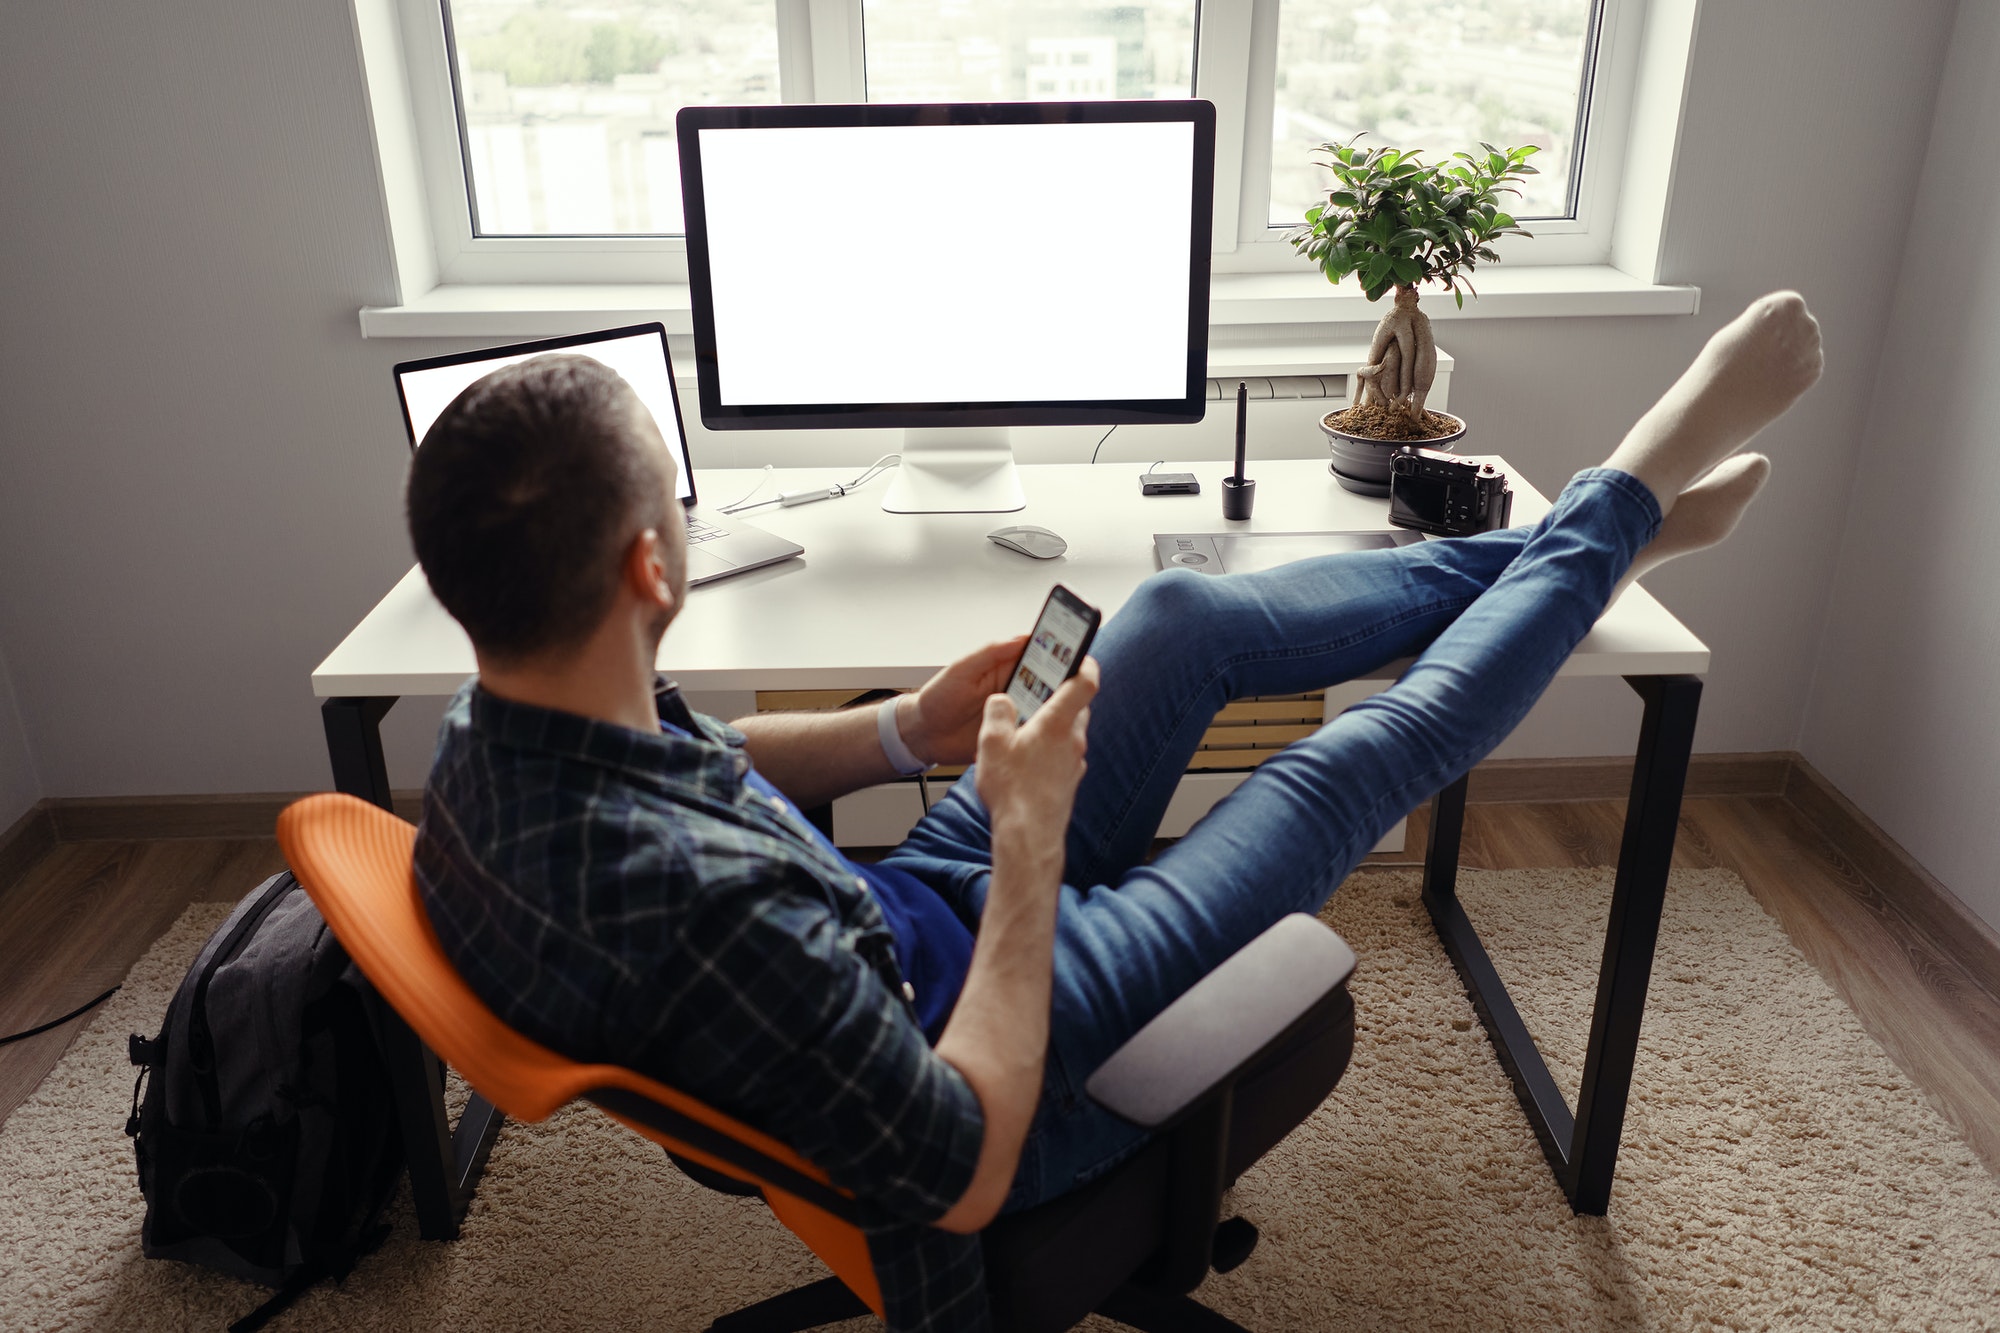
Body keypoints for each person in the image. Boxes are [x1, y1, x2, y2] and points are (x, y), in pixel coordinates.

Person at [405, 293, 1822, 1331]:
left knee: (1178, 615)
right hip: (1004, 1055)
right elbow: (955, 1167)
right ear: (656, 567)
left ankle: (1581, 543)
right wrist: (1026, 850)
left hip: (905, 926)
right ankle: (1631, 485)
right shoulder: (698, 915)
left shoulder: (496, 727)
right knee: (1349, 764)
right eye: (685, 519)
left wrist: (906, 730)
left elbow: (705, 751)